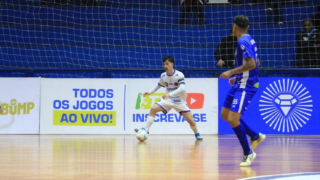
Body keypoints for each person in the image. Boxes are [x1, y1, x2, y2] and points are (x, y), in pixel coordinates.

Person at [220, 15, 265, 167]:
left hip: (246, 85)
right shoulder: (250, 39)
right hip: (240, 82)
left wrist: (231, 72)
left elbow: (252, 64)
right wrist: (239, 75)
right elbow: (257, 62)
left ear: (234, 27)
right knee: (225, 115)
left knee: (233, 119)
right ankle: (255, 136)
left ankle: (248, 153)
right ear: (247, 27)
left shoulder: (242, 41)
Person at [134, 56, 203, 140]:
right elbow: (158, 85)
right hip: (168, 100)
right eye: (164, 64)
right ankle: (146, 129)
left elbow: (182, 88)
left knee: (190, 120)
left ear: (172, 64)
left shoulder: (179, 74)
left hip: (180, 101)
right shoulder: (163, 75)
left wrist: (169, 94)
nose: (165, 66)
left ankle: (197, 133)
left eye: (167, 64)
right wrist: (150, 92)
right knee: (153, 109)